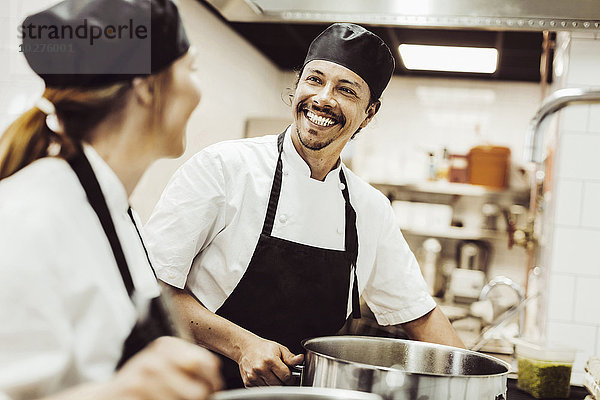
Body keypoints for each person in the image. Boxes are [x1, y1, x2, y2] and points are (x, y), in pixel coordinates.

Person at [144, 23, 465, 389]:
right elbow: (153, 289)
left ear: (370, 112)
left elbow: (420, 315)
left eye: (346, 90)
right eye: (314, 80)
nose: (324, 98)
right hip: (195, 388)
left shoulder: (370, 209)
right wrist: (242, 345)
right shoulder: (224, 168)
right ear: (298, 86)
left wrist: (481, 386)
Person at [0, 0, 222, 399]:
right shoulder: (31, 217)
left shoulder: (114, 210)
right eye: (192, 68)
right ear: (146, 87)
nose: (199, 90)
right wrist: (122, 392)